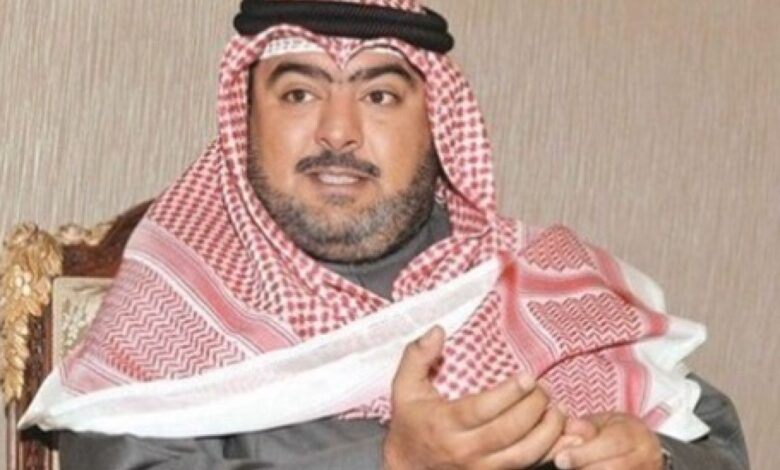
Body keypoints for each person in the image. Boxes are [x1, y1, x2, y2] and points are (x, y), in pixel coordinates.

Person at [21, 1, 748, 468]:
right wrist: (389, 461)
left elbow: (716, 442)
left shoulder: (544, 280)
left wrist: (653, 456)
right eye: (299, 93)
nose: (338, 132)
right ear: (246, 121)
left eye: (379, 94)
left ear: (436, 123)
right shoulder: (172, 308)